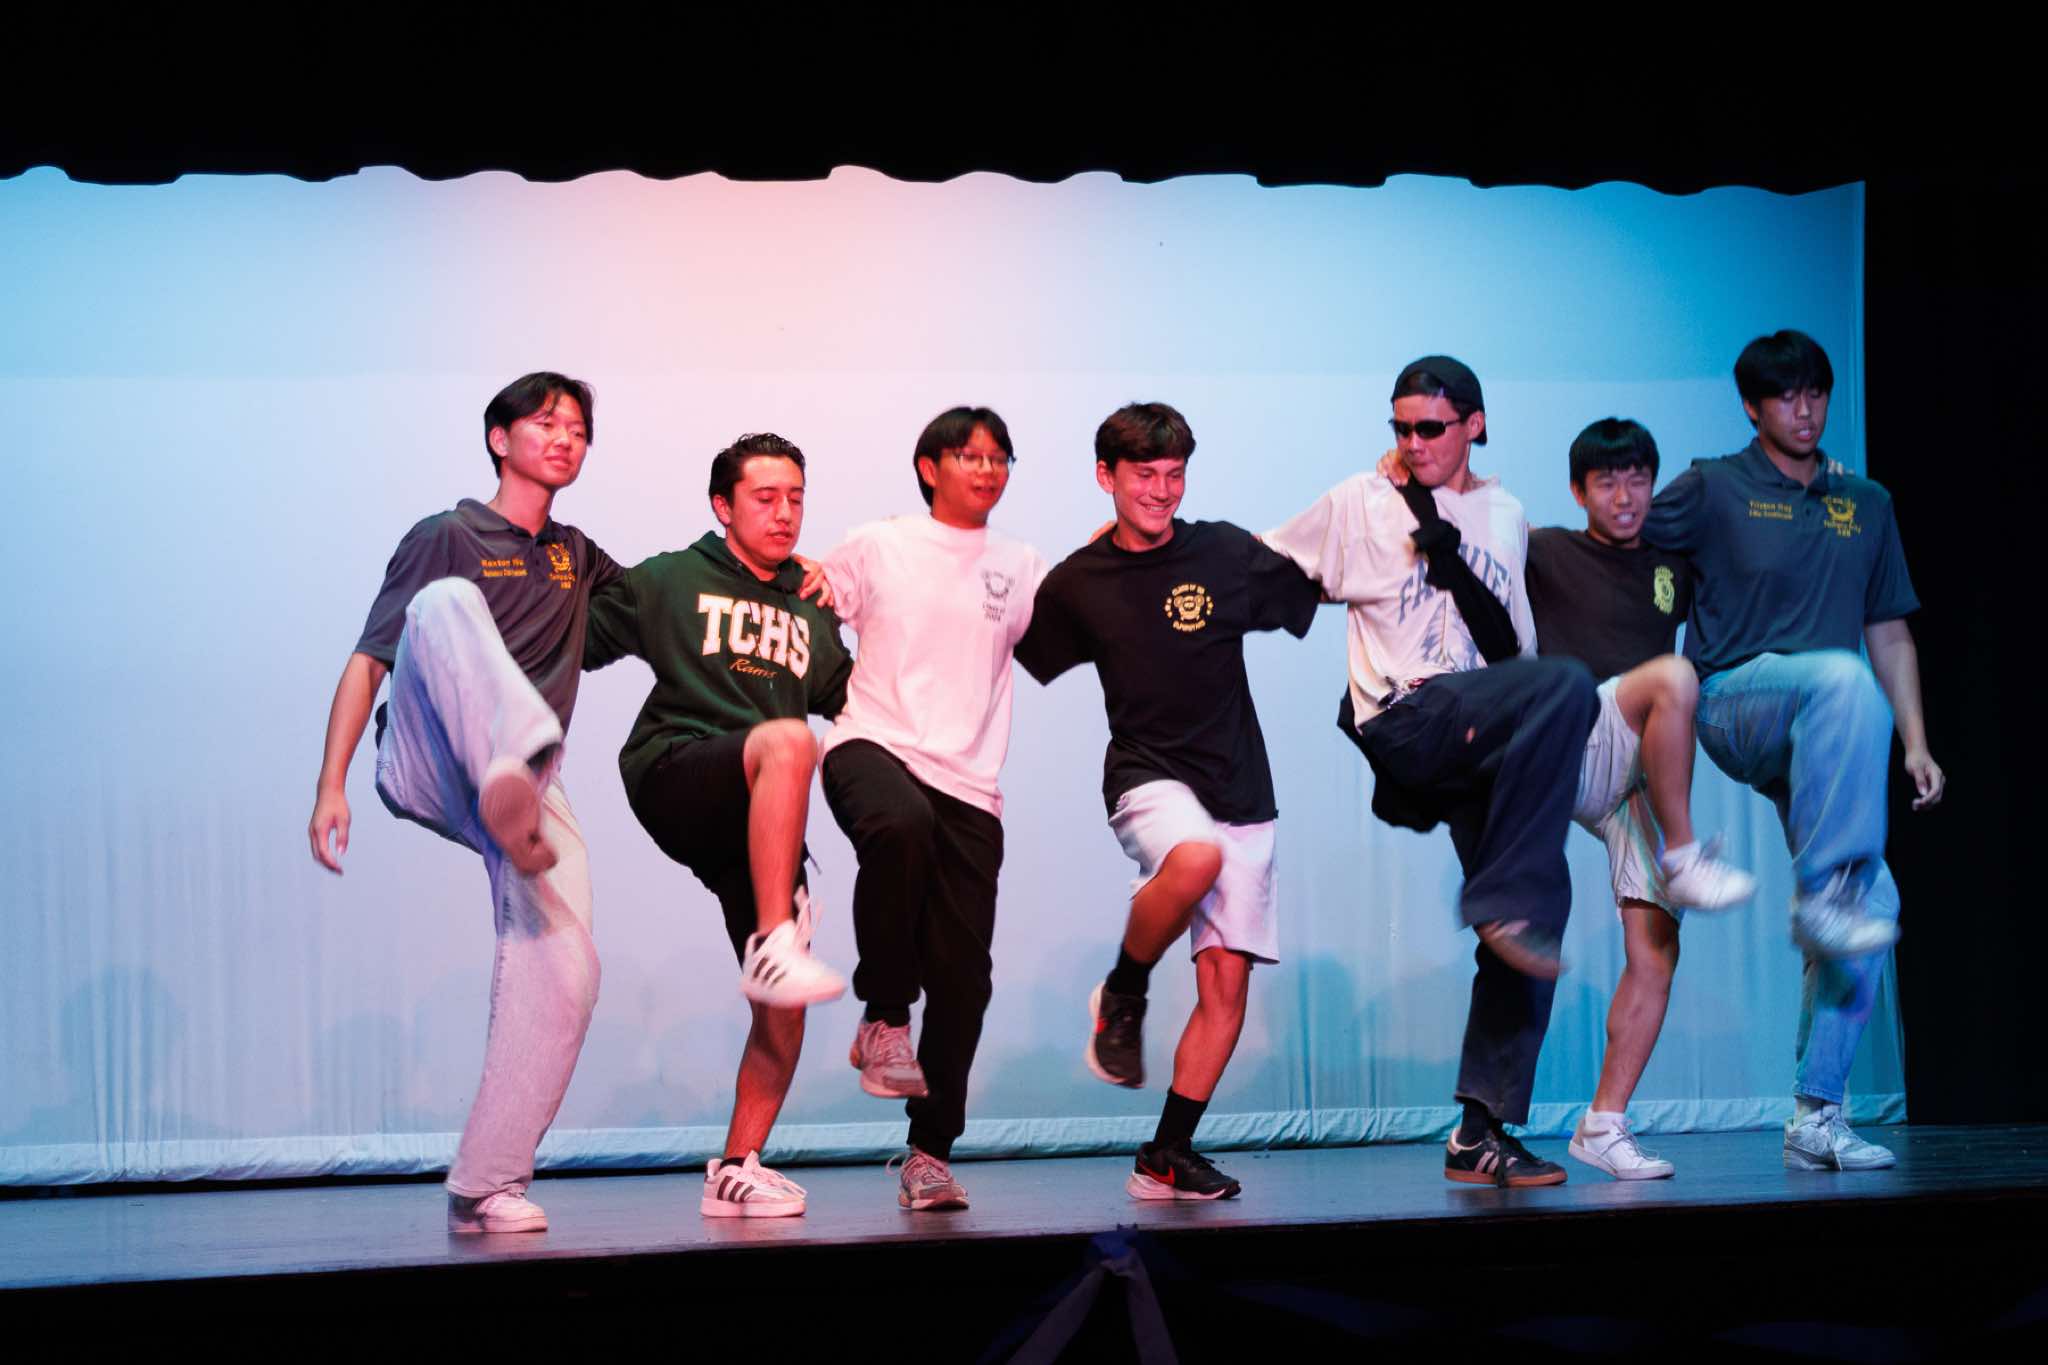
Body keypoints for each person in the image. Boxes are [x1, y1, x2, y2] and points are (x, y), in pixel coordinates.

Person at [1264, 355, 1597, 1187]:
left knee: (1540, 908)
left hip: (1482, 724)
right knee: (1564, 683)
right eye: (1401, 429)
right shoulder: (1366, 500)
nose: (1413, 444)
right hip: (1412, 717)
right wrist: (1148, 556)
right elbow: (1264, 566)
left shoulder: (1507, 513)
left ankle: (1479, 1130)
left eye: (1431, 428)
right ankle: (1499, 896)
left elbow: (1513, 640)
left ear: (1474, 424)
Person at [307, 372, 620, 1234]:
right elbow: (371, 659)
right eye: (546, 422)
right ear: (499, 438)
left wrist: (778, 572)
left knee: (570, 972)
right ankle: (510, 762)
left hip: (525, 789)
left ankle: (485, 1185)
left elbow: (661, 600)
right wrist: (331, 784)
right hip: (430, 754)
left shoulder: (576, 555)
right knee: (444, 602)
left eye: (578, 429)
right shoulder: (447, 534)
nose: (564, 438)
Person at [1646, 329, 1943, 1171]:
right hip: (1734, 701)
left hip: (1825, 725)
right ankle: (1825, 892)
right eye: (1785, 396)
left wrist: (1916, 741)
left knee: (1872, 902)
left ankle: (1817, 1114)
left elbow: (1889, 630)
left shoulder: (1866, 502)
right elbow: (1634, 552)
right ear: (1752, 406)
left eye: (1815, 393)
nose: (1804, 410)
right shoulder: (1713, 485)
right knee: (1841, 678)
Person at [1016, 403, 1320, 1201]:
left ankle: (1165, 1154)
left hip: (1241, 785)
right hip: (1146, 773)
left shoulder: (1222, 550)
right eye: (1143, 474)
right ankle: (1125, 988)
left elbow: (1315, 586)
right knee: (1193, 858)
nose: (1161, 490)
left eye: (1174, 474)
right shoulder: (1081, 581)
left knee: (1226, 989)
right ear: (1106, 477)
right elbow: (1013, 649)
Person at [584, 432, 853, 1218]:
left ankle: (737, 1166)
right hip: (679, 766)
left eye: (796, 497)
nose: (785, 512)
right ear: (722, 506)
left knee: (785, 1006)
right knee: (789, 739)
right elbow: (574, 640)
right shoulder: (674, 577)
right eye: (765, 497)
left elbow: (859, 702)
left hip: (765, 815)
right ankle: (775, 944)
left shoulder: (811, 602)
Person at [815, 407, 1049, 1211]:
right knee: (899, 826)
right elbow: (807, 601)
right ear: (929, 466)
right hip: (871, 743)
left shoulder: (1019, 565)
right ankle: (884, 1016)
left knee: (963, 979)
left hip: (969, 783)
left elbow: (1069, 632)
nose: (987, 470)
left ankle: (929, 1154)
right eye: (969, 455)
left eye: (999, 458)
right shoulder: (880, 543)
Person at [1519, 417, 1757, 1180]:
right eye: (1606, 482)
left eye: (1637, 479)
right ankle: (1685, 853)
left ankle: (1604, 1122)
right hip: (1572, 738)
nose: (1624, 497)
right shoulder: (1546, 548)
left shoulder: (1670, 564)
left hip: (1632, 771)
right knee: (1673, 675)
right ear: (1578, 490)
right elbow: (1465, 544)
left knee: (1656, 950)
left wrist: (1820, 482)